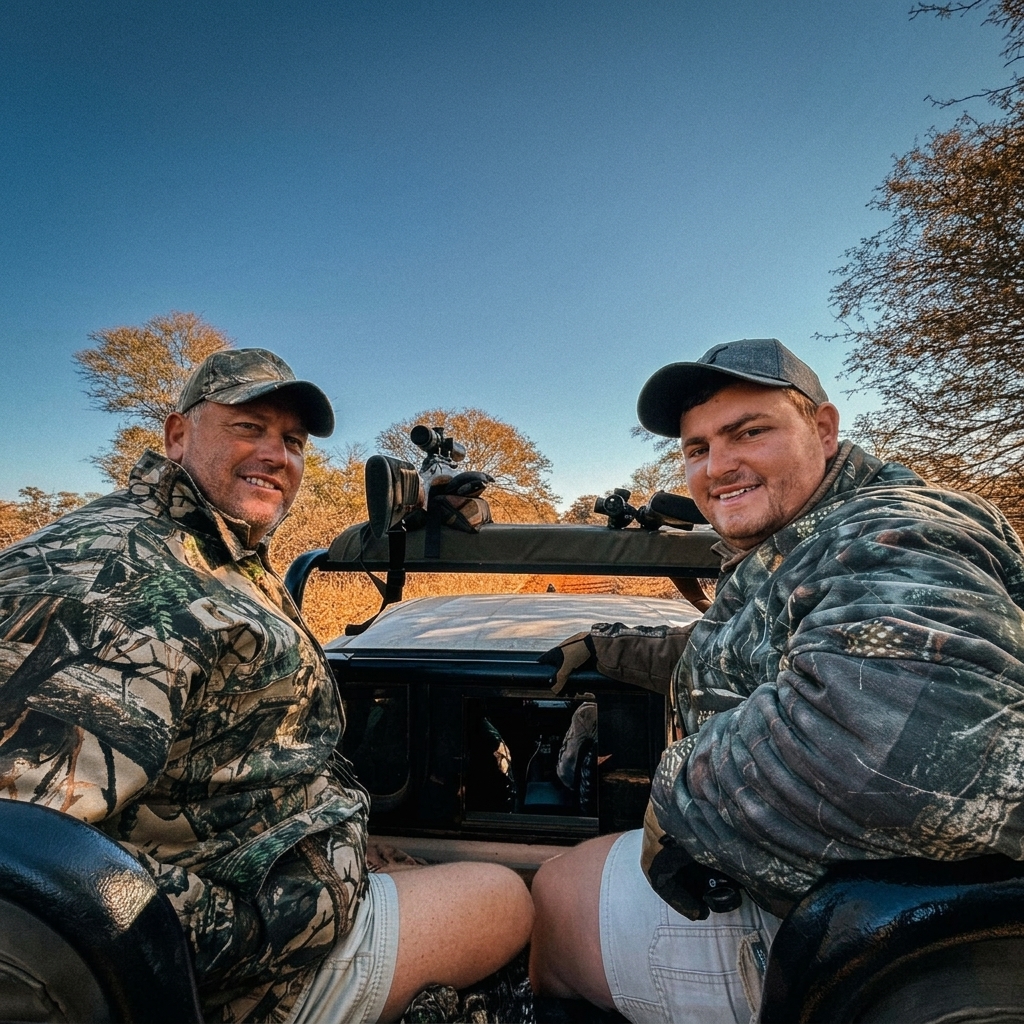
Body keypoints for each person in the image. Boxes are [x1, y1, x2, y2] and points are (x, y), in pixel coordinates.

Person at [0, 348, 532, 1024]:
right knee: (507, 899)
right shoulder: (109, 583)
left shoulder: (207, 546)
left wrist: (337, 860)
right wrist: (281, 916)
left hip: (279, 867)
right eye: (248, 427)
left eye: (293, 441)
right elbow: (27, 882)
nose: (276, 455)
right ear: (176, 435)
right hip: (250, 983)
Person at [529, 338, 1024, 1024]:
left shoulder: (888, 531)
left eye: (749, 433)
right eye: (698, 448)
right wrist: (606, 649)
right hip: (837, 900)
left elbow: (886, 752)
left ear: (823, 429)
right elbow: (745, 643)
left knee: (554, 892)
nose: (717, 466)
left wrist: (677, 799)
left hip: (866, 947)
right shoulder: (801, 540)